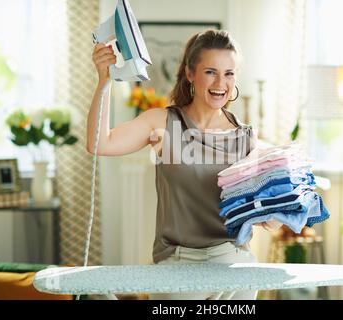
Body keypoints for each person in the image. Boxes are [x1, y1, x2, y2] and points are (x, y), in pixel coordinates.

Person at [88, 29, 281, 300]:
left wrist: (280, 204)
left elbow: (268, 221)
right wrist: (104, 81)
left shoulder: (245, 137)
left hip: (235, 263)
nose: (221, 83)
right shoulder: (163, 122)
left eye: (229, 73)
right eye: (211, 72)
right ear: (190, 74)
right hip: (178, 265)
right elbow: (100, 144)